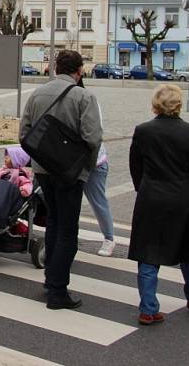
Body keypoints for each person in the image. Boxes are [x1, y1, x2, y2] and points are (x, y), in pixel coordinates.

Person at [20, 50, 102, 310]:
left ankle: (49, 282)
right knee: (68, 230)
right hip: (70, 174)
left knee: (54, 223)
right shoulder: (84, 96)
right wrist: (83, 168)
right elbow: (93, 138)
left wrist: (41, 158)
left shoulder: (37, 93)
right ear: (79, 71)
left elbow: (24, 133)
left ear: (55, 68)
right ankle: (57, 290)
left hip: (43, 171)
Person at [128, 84, 189, 325]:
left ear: (155, 104)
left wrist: (143, 187)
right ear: (178, 104)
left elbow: (135, 165)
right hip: (183, 198)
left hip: (151, 197)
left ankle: (148, 308)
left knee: (148, 251)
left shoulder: (143, 131)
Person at [76, 77, 116, 257]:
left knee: (98, 201)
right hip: (71, 162)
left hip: (94, 162)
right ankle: (70, 236)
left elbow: (94, 133)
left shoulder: (89, 100)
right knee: (70, 203)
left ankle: (109, 238)